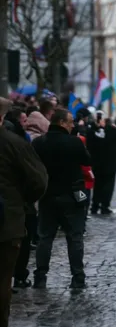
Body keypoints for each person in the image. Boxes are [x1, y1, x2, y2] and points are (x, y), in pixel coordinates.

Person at [0, 98, 48, 326]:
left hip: (8, 219)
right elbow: (38, 181)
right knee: (2, 280)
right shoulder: (14, 144)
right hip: (6, 223)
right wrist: (23, 203)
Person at [32, 108, 91, 289]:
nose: (73, 125)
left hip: (47, 196)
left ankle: (40, 277)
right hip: (71, 196)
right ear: (63, 123)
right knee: (74, 237)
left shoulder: (39, 143)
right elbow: (87, 161)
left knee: (45, 238)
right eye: (71, 121)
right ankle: (78, 277)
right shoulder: (74, 142)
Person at [87, 112, 116, 215]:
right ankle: (98, 206)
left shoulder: (110, 130)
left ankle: (102, 205)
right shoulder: (92, 130)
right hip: (100, 163)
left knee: (105, 187)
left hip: (106, 163)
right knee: (99, 186)